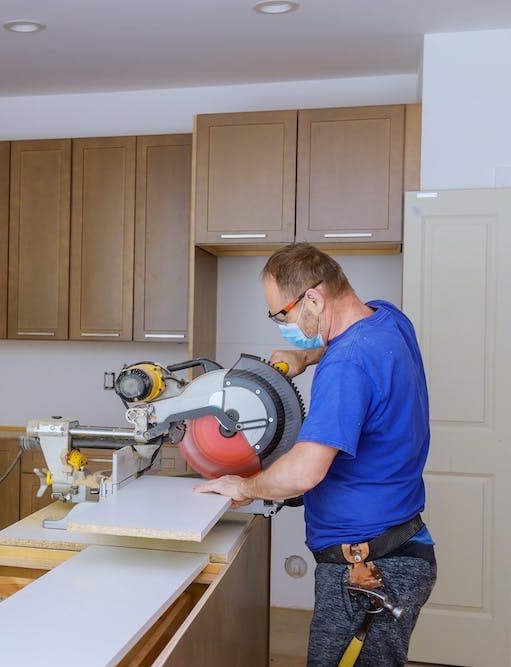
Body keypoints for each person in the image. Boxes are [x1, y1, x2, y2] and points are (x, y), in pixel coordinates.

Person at [195, 243, 436, 667]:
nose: (281, 325)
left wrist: (244, 486)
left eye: (282, 314)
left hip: (368, 567)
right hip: (399, 545)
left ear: (313, 299)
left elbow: (305, 472)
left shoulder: (346, 366)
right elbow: (350, 336)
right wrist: (306, 354)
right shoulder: (388, 320)